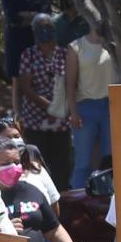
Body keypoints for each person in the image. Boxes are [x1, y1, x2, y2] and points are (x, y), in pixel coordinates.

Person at [15, 14, 73, 187]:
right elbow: (26, 87)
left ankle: (63, 198)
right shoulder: (28, 55)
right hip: (35, 120)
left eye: (48, 26)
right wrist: (50, 107)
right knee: (37, 162)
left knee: (61, 164)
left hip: (62, 120)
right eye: (40, 27)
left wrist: (59, 109)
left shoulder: (65, 54)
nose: (45, 30)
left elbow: (72, 83)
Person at [66, 21, 119, 189]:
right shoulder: (76, 47)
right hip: (85, 108)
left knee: (110, 159)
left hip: (111, 106)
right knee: (83, 162)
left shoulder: (116, 45)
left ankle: (109, 201)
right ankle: (77, 199)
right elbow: (70, 83)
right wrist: (73, 112)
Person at [0, 0, 50, 82]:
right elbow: (12, 18)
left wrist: (25, 15)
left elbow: (46, 17)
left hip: (38, 43)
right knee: (17, 80)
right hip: (16, 43)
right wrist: (34, 16)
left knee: (39, 78)